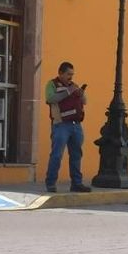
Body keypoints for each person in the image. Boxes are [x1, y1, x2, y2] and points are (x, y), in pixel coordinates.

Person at [45, 61, 91, 193]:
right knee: (57, 155)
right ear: (60, 73)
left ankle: (76, 183)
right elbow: (50, 98)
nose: (71, 77)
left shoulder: (74, 85)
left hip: (76, 125)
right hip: (60, 125)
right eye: (68, 74)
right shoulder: (51, 84)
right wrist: (68, 92)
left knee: (76, 155)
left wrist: (81, 94)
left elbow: (85, 101)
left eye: (72, 74)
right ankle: (51, 183)